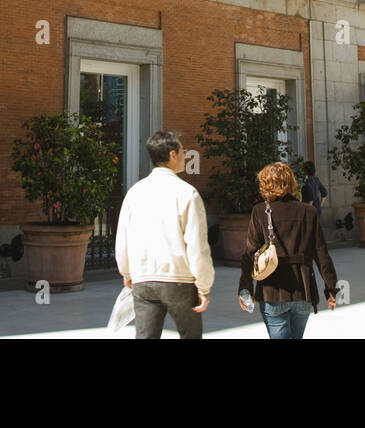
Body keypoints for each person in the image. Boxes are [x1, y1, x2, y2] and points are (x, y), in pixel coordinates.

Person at [115, 130, 214, 339]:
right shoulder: (187, 193)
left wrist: (127, 272)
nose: (185, 155)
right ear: (172, 155)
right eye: (183, 151)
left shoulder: (135, 192)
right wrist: (204, 286)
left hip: (143, 279)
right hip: (179, 280)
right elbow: (197, 245)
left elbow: (122, 237)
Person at [238, 161, 339, 338]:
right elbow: (321, 253)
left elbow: (250, 253)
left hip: (272, 290)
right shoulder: (309, 212)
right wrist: (331, 288)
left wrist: (245, 288)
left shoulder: (260, 211)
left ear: (265, 184)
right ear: (291, 182)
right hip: (303, 289)